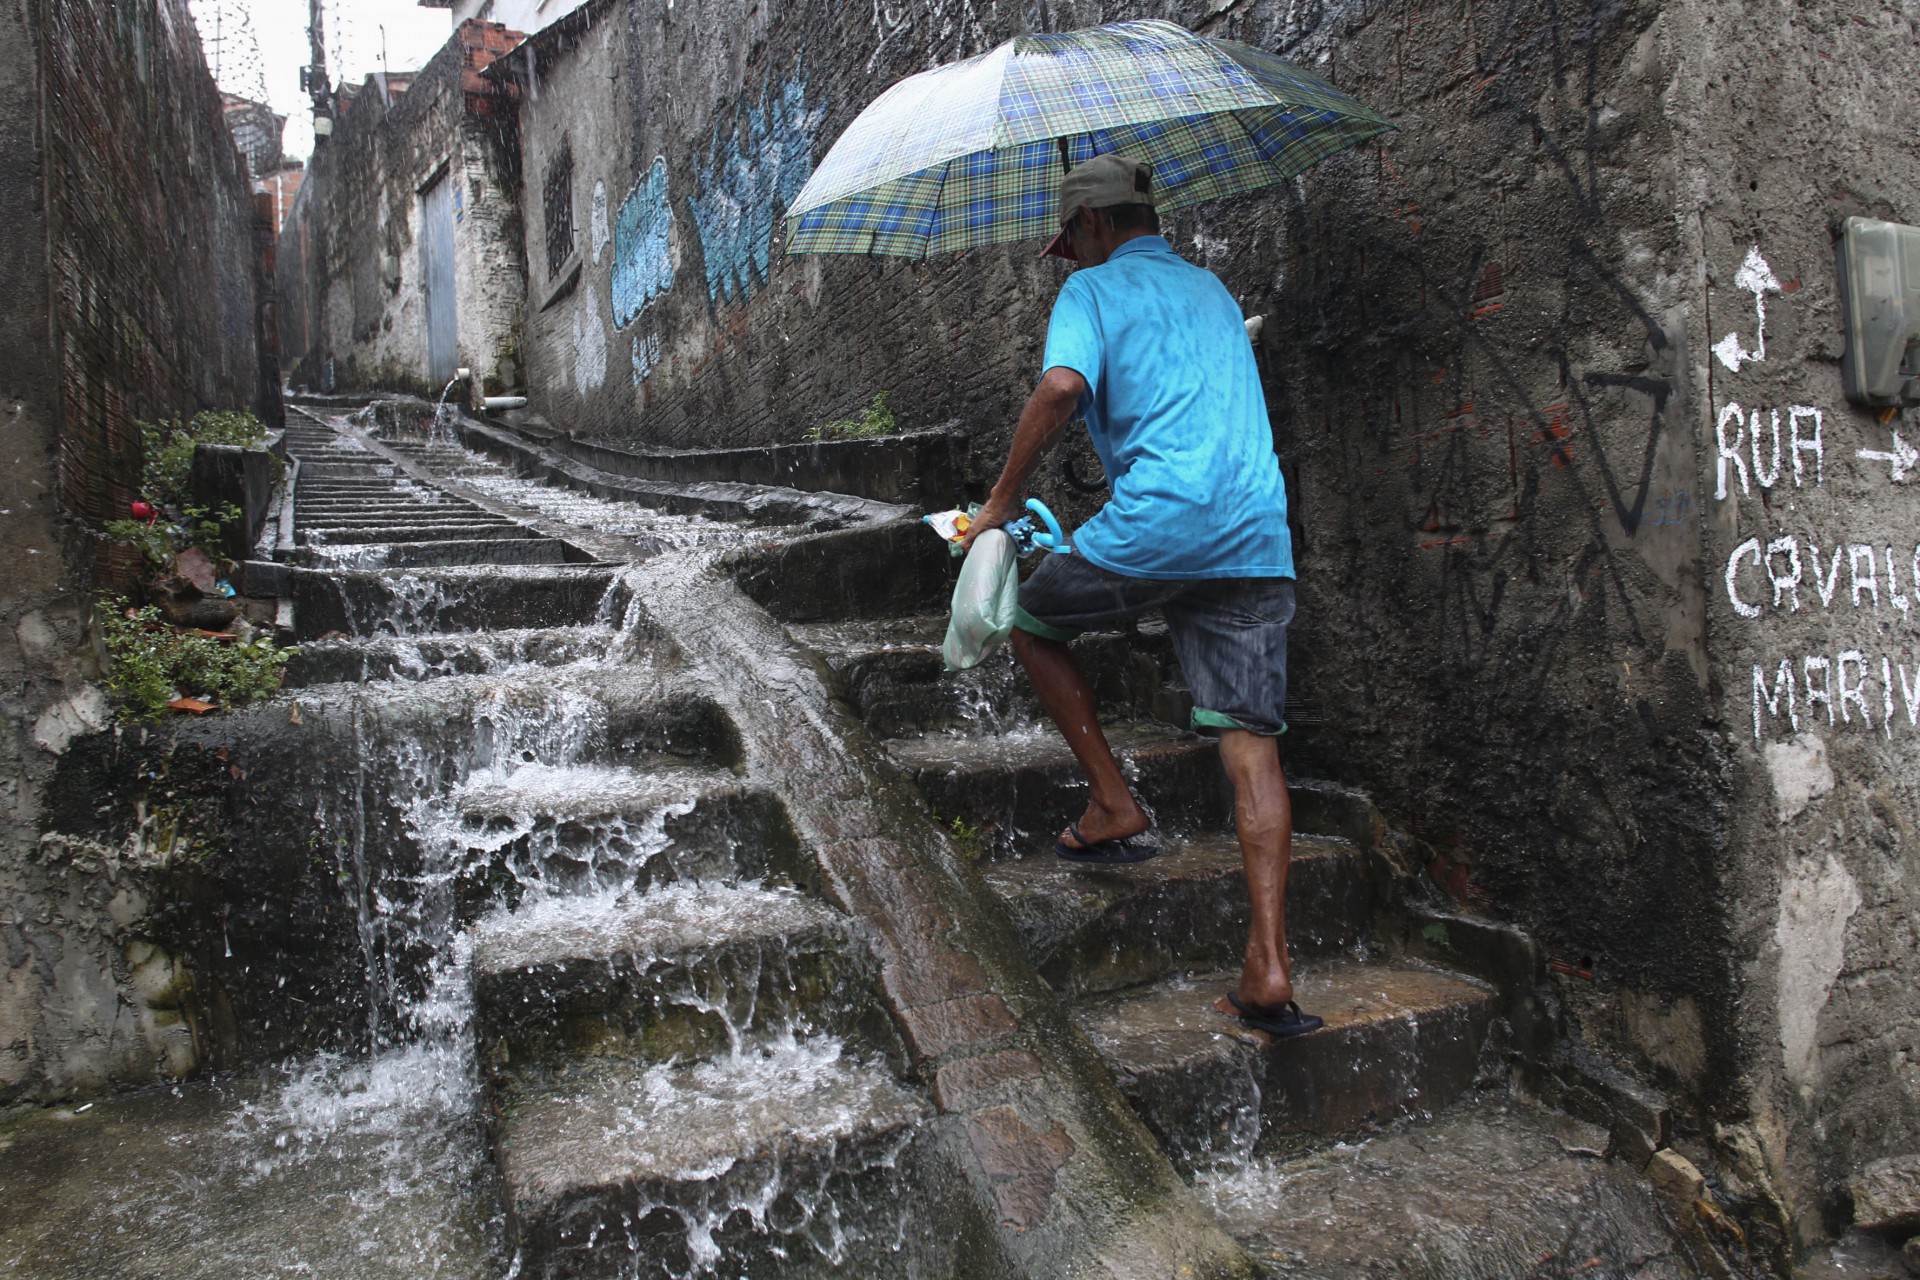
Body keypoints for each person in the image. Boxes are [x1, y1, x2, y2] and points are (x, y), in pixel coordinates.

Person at [960, 154, 1320, 1040]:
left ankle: (1114, 802)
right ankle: (1269, 969)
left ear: (1089, 227)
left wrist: (1000, 505)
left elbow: (1060, 388)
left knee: (1032, 620)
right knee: (1251, 743)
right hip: (1257, 532)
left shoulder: (1089, 294)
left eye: (1070, 244)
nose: (1070, 261)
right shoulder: (1209, 289)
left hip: (1164, 523)